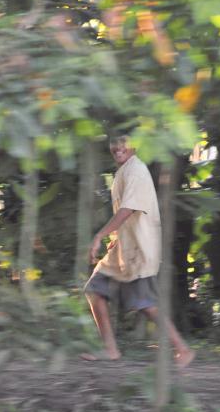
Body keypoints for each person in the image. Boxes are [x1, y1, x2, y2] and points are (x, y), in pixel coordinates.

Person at [83, 135, 195, 368]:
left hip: (139, 248)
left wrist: (99, 235)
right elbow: (125, 216)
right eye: (114, 143)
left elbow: (128, 209)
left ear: (134, 145)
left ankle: (183, 349)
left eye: (123, 142)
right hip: (125, 247)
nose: (118, 147)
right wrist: (114, 238)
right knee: (94, 290)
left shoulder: (135, 170)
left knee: (145, 304)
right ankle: (110, 349)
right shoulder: (124, 171)